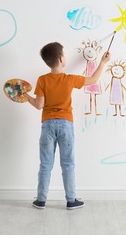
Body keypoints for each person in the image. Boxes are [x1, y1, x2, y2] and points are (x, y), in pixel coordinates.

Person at [24, 42, 111, 210]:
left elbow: (38, 105)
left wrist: (26, 95)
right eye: (64, 54)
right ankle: (71, 200)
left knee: (45, 164)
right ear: (61, 58)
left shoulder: (42, 80)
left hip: (47, 125)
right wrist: (102, 62)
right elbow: (93, 79)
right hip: (66, 124)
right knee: (68, 164)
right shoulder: (70, 79)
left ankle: (41, 200)